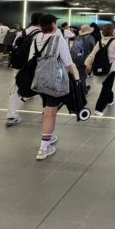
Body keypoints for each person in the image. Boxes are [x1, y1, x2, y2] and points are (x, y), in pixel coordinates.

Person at [33, 14, 80, 160]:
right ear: (53, 24)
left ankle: (49, 137)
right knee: (50, 113)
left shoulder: (36, 38)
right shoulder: (58, 39)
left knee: (47, 109)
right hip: (54, 80)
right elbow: (68, 62)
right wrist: (77, 80)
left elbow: (32, 58)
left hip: (39, 80)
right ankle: (43, 148)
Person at [5, 13, 42, 127]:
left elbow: (14, 47)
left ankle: (11, 116)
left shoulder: (21, 33)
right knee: (44, 88)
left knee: (15, 89)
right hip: (34, 67)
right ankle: (47, 110)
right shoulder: (41, 34)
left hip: (19, 66)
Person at [85, 23, 115, 116]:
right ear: (112, 31)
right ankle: (99, 108)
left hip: (101, 67)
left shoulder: (100, 41)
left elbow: (93, 54)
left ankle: (110, 100)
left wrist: (87, 63)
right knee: (106, 87)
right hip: (111, 68)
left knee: (106, 85)